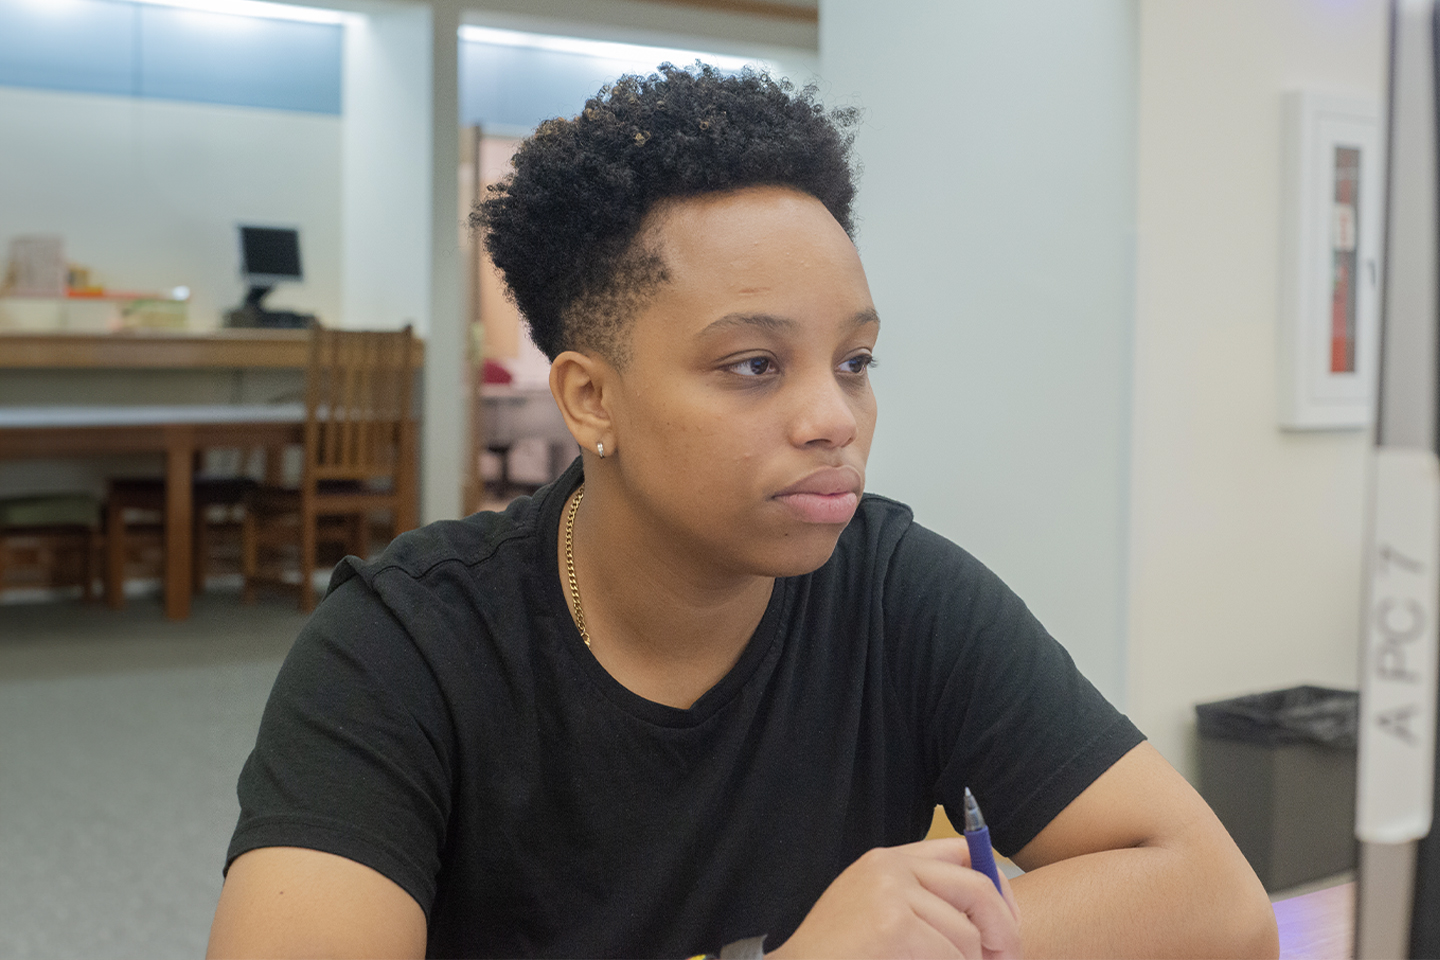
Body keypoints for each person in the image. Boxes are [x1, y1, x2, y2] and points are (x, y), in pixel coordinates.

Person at [207, 64, 1278, 959]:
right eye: (754, 364)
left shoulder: (896, 591)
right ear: (591, 399)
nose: (833, 418)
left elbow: (1218, 903)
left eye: (853, 361)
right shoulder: (402, 647)